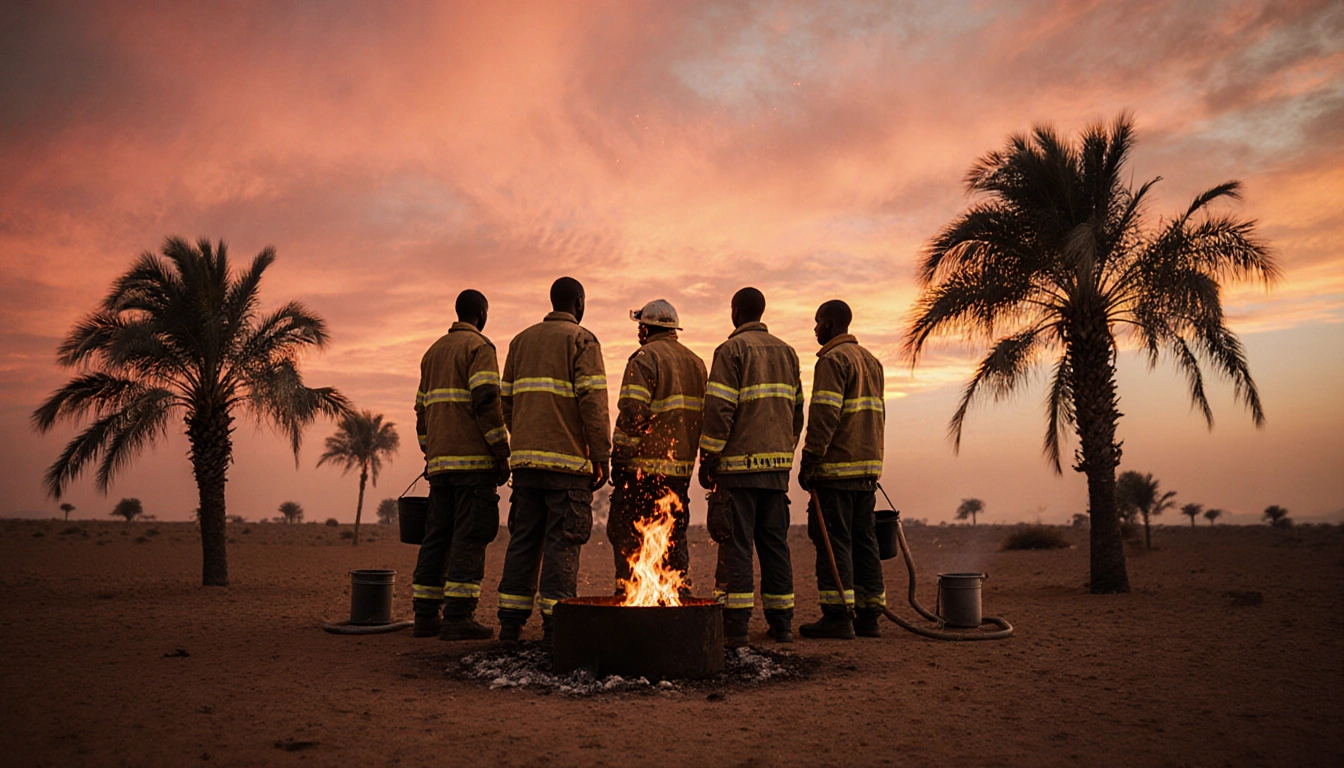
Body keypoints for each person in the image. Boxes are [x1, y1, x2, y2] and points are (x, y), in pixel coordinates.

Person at [496, 277, 611, 646]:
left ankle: (510, 627)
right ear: (578, 302)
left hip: (526, 467)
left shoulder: (521, 341)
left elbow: (506, 403)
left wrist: (526, 438)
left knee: (524, 543)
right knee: (562, 544)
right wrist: (601, 456)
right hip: (568, 470)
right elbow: (593, 404)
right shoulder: (582, 341)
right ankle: (554, 628)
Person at [698, 287, 803, 647]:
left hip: (737, 472)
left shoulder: (730, 351)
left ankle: (736, 626)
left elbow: (719, 411)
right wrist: (783, 452)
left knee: (736, 547)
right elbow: (796, 412)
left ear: (735, 311)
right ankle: (782, 624)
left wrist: (709, 458)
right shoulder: (788, 353)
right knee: (775, 547)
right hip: (776, 473)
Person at [411, 289, 511, 640]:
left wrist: (429, 454)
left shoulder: (432, 353)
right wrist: (501, 451)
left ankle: (425, 617)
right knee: (471, 535)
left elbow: (421, 413)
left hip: (440, 468)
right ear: (482, 314)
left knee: (436, 537)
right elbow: (486, 401)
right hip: (474, 466)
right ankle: (458, 617)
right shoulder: (480, 348)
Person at [798, 299, 887, 639]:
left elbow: (824, 416)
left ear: (832, 324)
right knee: (865, 542)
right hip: (866, 471)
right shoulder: (871, 362)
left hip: (836, 471)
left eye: (818, 322)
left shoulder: (833, 361)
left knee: (834, 543)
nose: (815, 328)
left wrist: (810, 460)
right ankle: (869, 616)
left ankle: (837, 616)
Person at [609, 299, 707, 592]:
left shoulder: (643, 359)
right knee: (673, 542)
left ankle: (630, 598)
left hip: (642, 473)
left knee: (628, 539)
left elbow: (632, 414)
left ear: (646, 328)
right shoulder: (697, 364)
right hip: (679, 475)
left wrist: (620, 459)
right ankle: (675, 605)